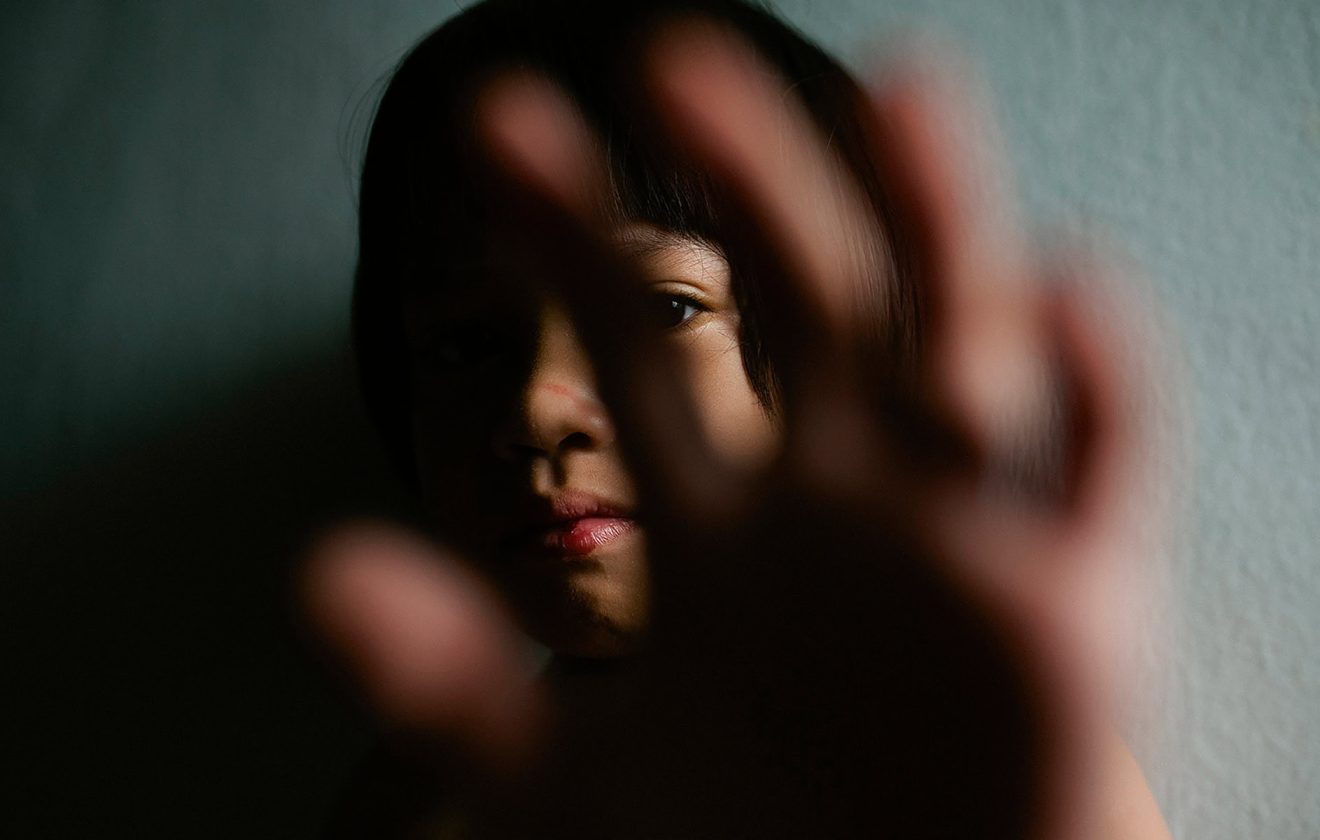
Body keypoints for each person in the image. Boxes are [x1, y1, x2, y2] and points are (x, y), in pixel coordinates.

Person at [302, 0, 1172, 836]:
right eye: (463, 345)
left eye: (666, 308)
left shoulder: (975, 757)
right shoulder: (428, 792)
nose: (537, 406)